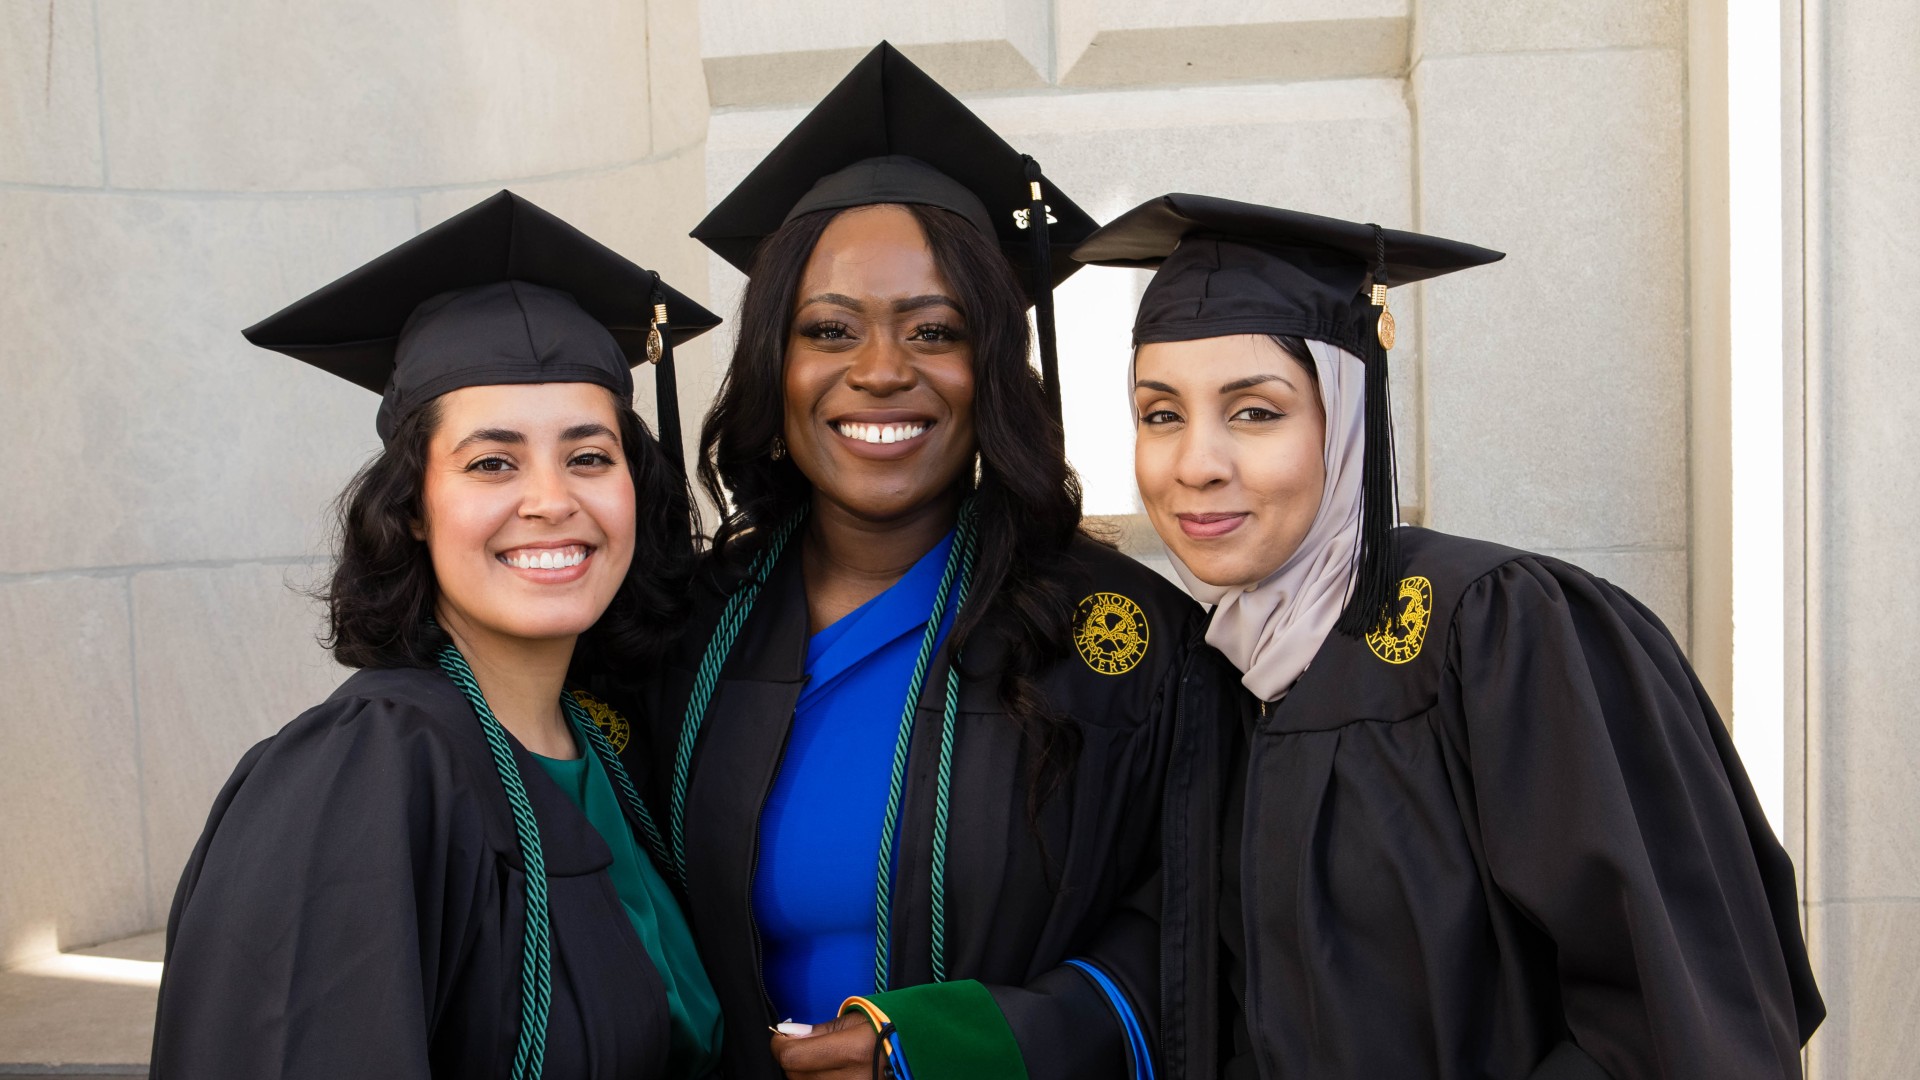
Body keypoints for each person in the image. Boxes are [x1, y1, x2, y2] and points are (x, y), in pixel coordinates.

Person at [1075, 192, 1826, 1079]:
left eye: (1255, 412)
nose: (1196, 462)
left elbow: (1678, 1018)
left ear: (1345, 423)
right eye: (1161, 415)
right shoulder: (1223, 677)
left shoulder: (1504, 631)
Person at [620, 44, 1233, 1080]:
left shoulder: (1122, 644)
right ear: (777, 367)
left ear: (991, 363)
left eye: (934, 330)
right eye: (829, 330)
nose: (881, 372)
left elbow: (1197, 923)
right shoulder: (684, 634)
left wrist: (958, 1048)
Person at [149, 190, 726, 1080]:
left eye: (589, 456)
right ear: (413, 509)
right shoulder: (367, 767)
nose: (551, 500)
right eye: (492, 462)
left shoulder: (606, 758)